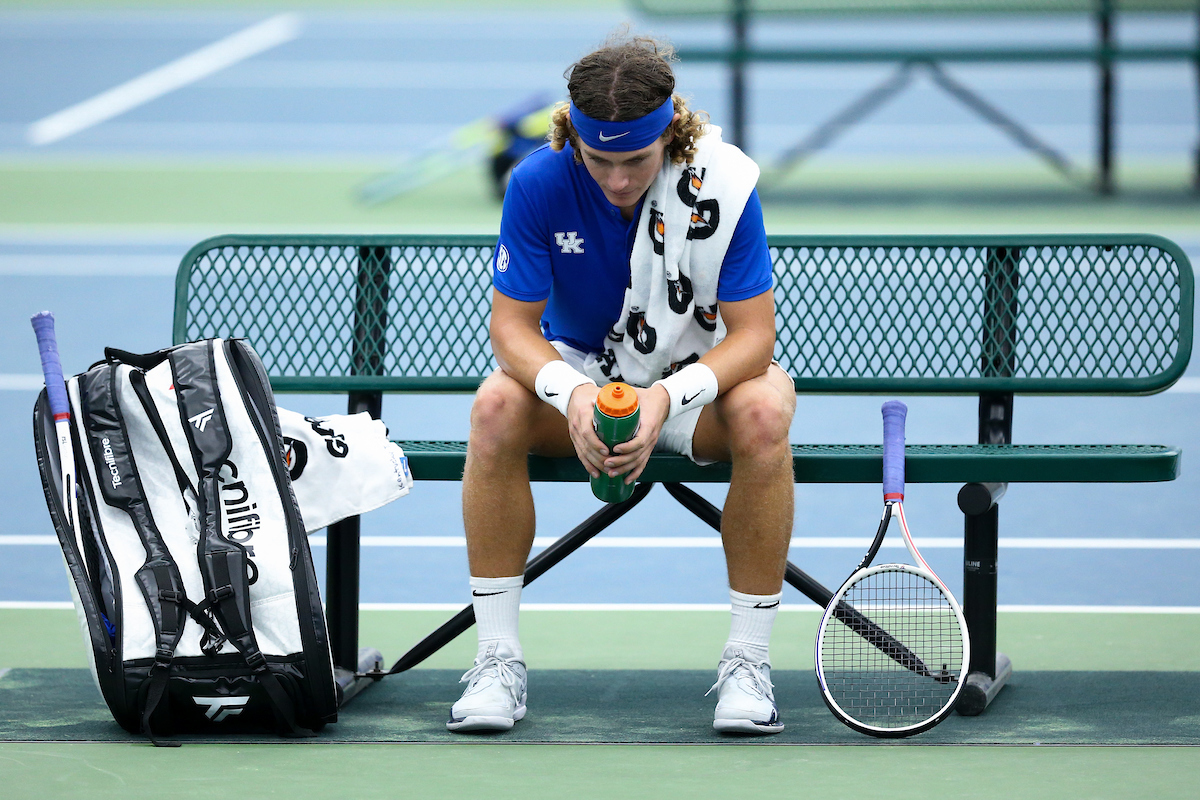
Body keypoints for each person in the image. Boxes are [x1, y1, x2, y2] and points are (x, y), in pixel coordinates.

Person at [449, 34, 796, 736]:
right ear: (572, 134)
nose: (616, 179)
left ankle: (748, 663)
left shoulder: (723, 185)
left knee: (764, 410)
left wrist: (666, 397)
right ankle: (496, 659)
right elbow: (512, 329)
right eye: (598, 159)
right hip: (583, 378)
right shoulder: (537, 182)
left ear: (670, 132)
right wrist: (572, 395)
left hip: (695, 388)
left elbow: (755, 339)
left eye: (635, 160)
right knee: (492, 408)